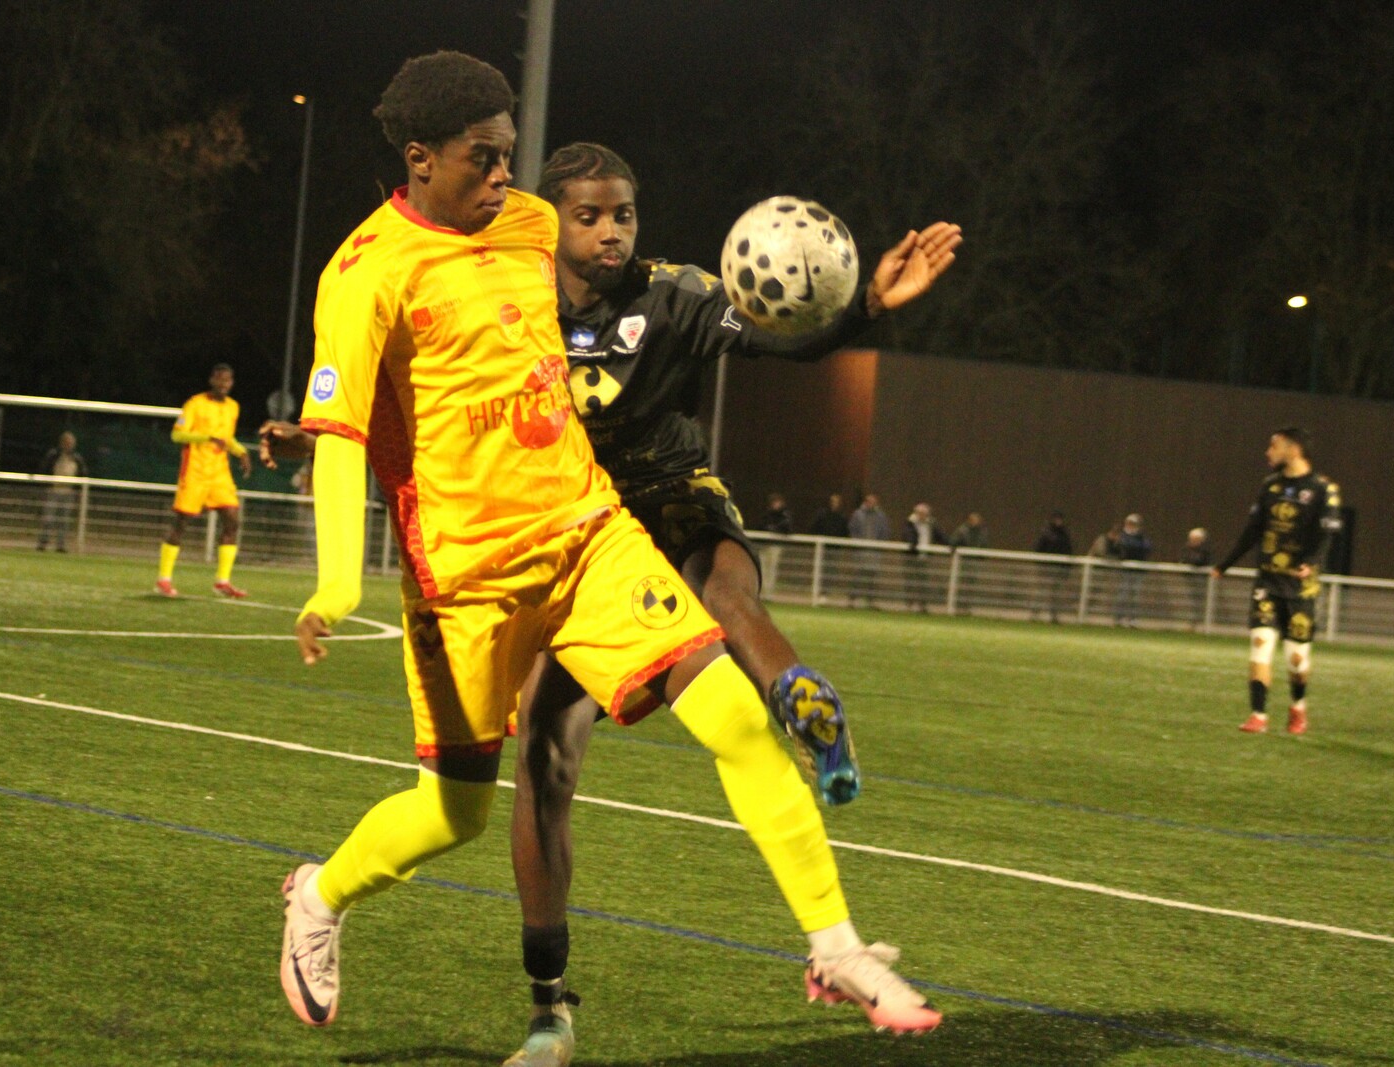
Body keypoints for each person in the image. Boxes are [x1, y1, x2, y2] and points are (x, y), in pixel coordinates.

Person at [273, 58, 947, 1059]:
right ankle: (320, 894)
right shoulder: (364, 270)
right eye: (483, 158)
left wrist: (853, 312)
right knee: (452, 814)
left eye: (509, 156)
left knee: (733, 715)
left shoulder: (530, 226)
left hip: (589, 533)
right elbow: (338, 431)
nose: (505, 177)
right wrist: (334, 582)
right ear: (419, 158)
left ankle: (837, 947)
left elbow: (679, 311)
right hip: (465, 580)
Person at [1213, 427, 1342, 735]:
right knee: (1261, 644)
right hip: (1267, 582)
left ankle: (1298, 707)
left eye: (1274, 446)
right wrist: (1225, 564)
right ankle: (1258, 715)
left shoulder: (1324, 489)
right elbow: (1253, 530)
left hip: (1301, 588)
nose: (1268, 452)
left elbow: (1327, 533)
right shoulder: (1270, 486)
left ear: (1293, 449)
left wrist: (1311, 562)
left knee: (1297, 660)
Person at [155, 363, 251, 598]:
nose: (223, 384)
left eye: (227, 380)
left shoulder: (233, 407)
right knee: (181, 523)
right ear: (211, 380)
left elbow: (226, 439)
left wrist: (241, 452)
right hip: (195, 471)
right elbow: (177, 434)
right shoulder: (195, 404)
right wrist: (207, 437)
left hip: (220, 473)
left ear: (231, 383)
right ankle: (163, 579)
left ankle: (222, 581)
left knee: (232, 520)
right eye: (219, 379)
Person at [36, 431, 87, 552]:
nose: (69, 445)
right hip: (53, 490)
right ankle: (43, 543)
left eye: (71, 443)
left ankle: (61, 545)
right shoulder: (54, 455)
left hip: (68, 492)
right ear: (61, 443)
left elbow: (83, 473)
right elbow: (44, 468)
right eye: (67, 442)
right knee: (48, 518)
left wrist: (77, 488)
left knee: (64, 520)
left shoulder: (76, 458)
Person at [848, 492, 895, 608]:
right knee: (858, 576)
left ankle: (870, 601)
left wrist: (879, 545)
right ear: (866, 502)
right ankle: (852, 600)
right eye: (870, 502)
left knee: (872, 577)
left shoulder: (881, 516)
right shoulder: (858, 514)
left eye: (874, 502)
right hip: (861, 551)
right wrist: (857, 544)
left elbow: (885, 531)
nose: (872, 504)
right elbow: (852, 530)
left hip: (874, 552)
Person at [1032, 511, 1074, 622]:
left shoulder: (1064, 534)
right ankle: (1035, 614)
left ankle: (1053, 616)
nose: (1058, 521)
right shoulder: (1046, 533)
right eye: (1057, 519)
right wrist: (1042, 563)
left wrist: (1067, 567)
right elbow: (1038, 549)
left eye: (1060, 519)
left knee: (1055, 594)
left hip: (1059, 568)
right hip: (1047, 567)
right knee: (1042, 591)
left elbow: (1068, 550)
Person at [1112, 513, 1151, 626]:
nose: (1131, 526)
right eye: (1129, 523)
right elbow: (1118, 548)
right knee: (1122, 595)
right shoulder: (1122, 536)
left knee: (1135, 596)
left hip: (1137, 571)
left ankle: (1133, 619)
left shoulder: (1142, 537)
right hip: (1125, 570)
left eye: (1133, 524)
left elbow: (1147, 548)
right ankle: (1118, 619)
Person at [896, 500, 934, 611]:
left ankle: (922, 605)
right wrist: (913, 543)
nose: (922, 516)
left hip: (924, 558)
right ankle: (909, 604)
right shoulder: (909, 523)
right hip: (911, 557)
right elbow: (907, 535)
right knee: (910, 582)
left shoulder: (931, 524)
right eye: (920, 513)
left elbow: (939, 535)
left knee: (923, 583)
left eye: (924, 513)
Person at [948, 511, 989, 613]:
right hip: (964, 561)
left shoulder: (982, 532)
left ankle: (967, 607)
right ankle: (958, 606)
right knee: (961, 584)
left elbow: (984, 545)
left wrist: (981, 557)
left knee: (971, 585)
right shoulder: (962, 530)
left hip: (974, 562)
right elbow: (954, 542)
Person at [757, 491, 794, 596]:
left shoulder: (785, 515)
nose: (775, 504)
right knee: (762, 568)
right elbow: (761, 526)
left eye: (777, 502)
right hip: (764, 545)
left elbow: (787, 528)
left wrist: (774, 529)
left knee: (772, 568)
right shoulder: (767, 514)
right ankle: (762, 592)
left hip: (775, 545)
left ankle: (769, 593)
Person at [1179, 527, 1213, 628]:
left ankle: (1198, 623)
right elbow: (1183, 560)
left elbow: (1200, 561)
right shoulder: (1186, 549)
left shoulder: (1205, 550)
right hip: (1189, 579)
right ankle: (1192, 623)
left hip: (1201, 579)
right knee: (1192, 601)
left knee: (1199, 601)